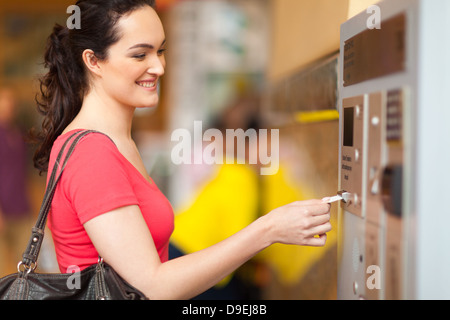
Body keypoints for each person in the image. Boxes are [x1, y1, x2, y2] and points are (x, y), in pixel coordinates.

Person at [31, 0, 332, 300]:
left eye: (160, 50)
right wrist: (268, 229)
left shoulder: (116, 142)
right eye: (140, 54)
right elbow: (152, 286)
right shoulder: (92, 153)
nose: (159, 67)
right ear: (93, 61)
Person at [0, 87, 32, 276]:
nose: (8, 106)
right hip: (3, 210)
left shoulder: (19, 133)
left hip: (21, 206)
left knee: (27, 263)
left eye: (11, 101)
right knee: (3, 269)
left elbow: (23, 170)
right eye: (3, 101)